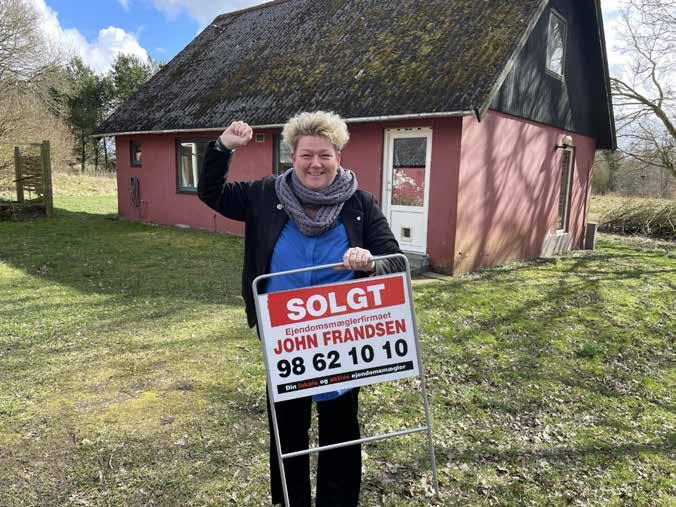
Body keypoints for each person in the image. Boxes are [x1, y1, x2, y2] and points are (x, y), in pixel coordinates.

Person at [198, 111, 404, 506]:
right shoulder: (264, 195)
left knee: (341, 432)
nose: (315, 164)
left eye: (325, 155)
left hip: (341, 338)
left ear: (338, 156)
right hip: (286, 339)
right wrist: (223, 147)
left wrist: (369, 262)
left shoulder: (360, 204)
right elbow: (212, 193)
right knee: (287, 433)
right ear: (292, 157)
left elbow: (394, 261)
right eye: (306, 155)